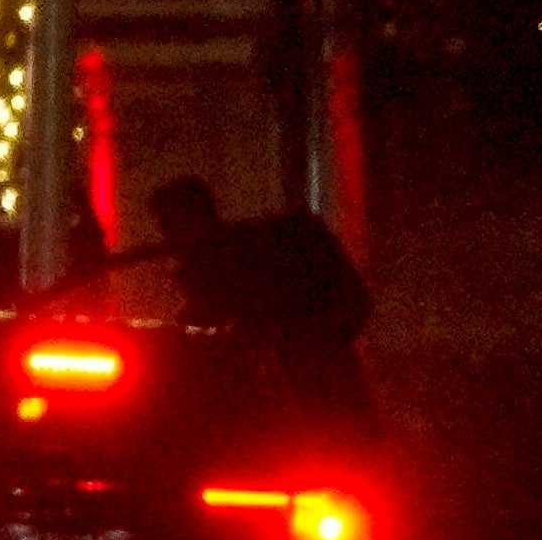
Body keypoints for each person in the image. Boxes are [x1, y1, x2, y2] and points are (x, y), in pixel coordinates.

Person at [143, 175, 376, 415]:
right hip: (323, 390)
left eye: (169, 227)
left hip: (306, 392)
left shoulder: (244, 260)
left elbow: (226, 322)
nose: (167, 239)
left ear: (193, 219)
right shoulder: (239, 256)